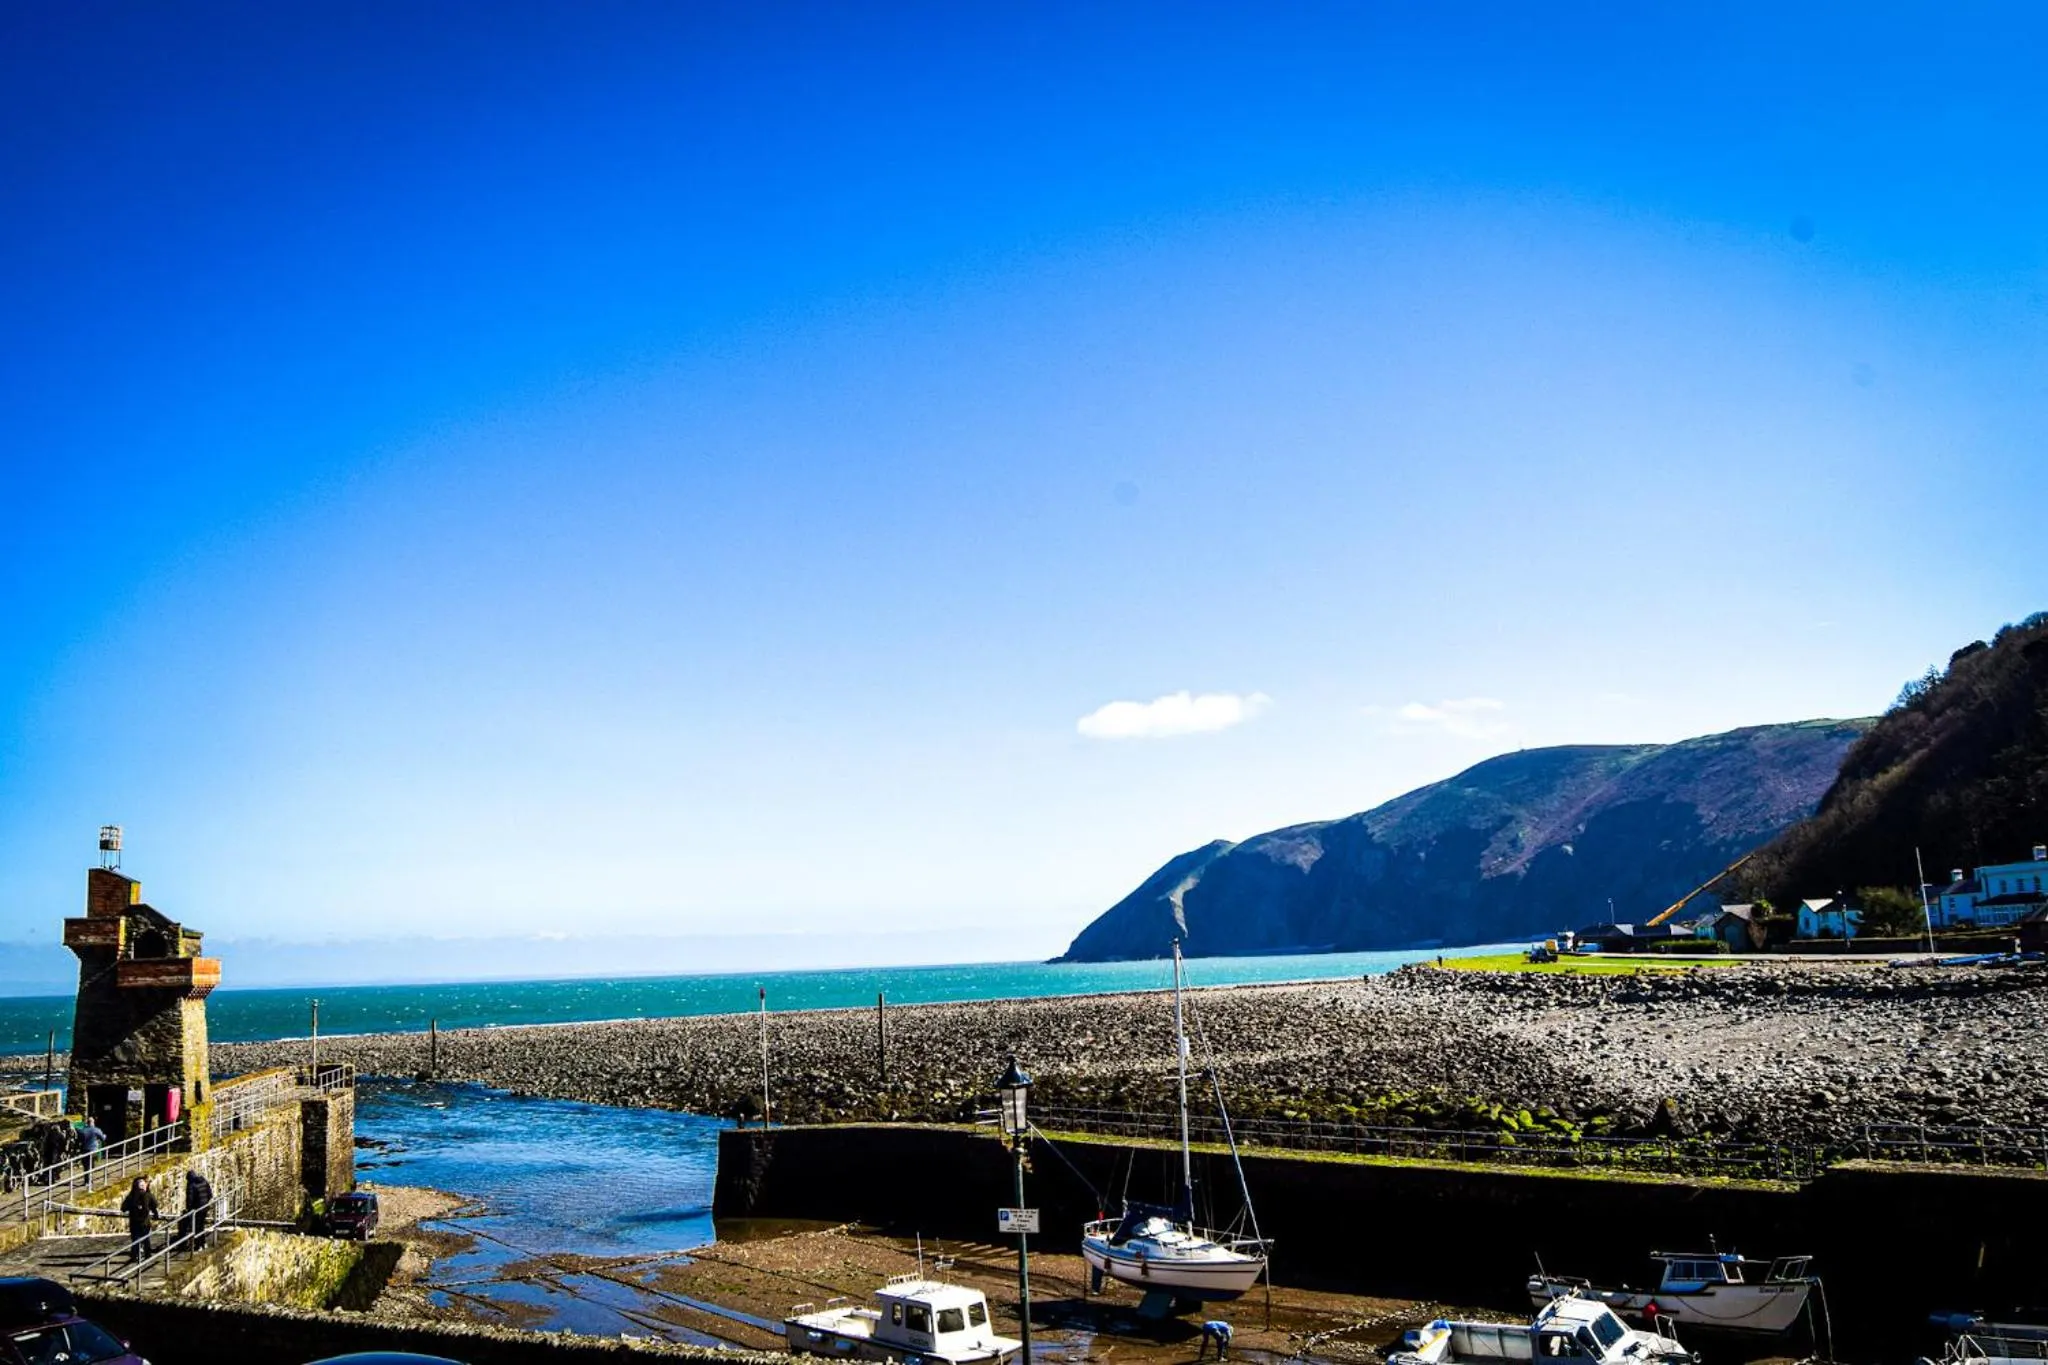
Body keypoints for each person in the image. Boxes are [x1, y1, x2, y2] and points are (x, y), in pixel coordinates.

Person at [121, 1177, 159, 1263]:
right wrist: (155, 1214)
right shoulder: (148, 1195)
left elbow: (123, 1208)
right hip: (145, 1222)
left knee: (135, 1239)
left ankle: (135, 1256)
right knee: (146, 1239)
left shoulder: (131, 1196)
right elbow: (155, 1205)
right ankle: (147, 1255)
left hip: (134, 1222)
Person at [182, 1169, 215, 1250]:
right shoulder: (204, 1181)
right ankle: (203, 1243)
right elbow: (210, 1194)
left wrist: (189, 1210)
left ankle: (198, 1245)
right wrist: (205, 1203)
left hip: (196, 1209)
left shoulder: (191, 1185)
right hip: (205, 1207)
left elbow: (189, 1199)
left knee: (196, 1227)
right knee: (201, 1225)